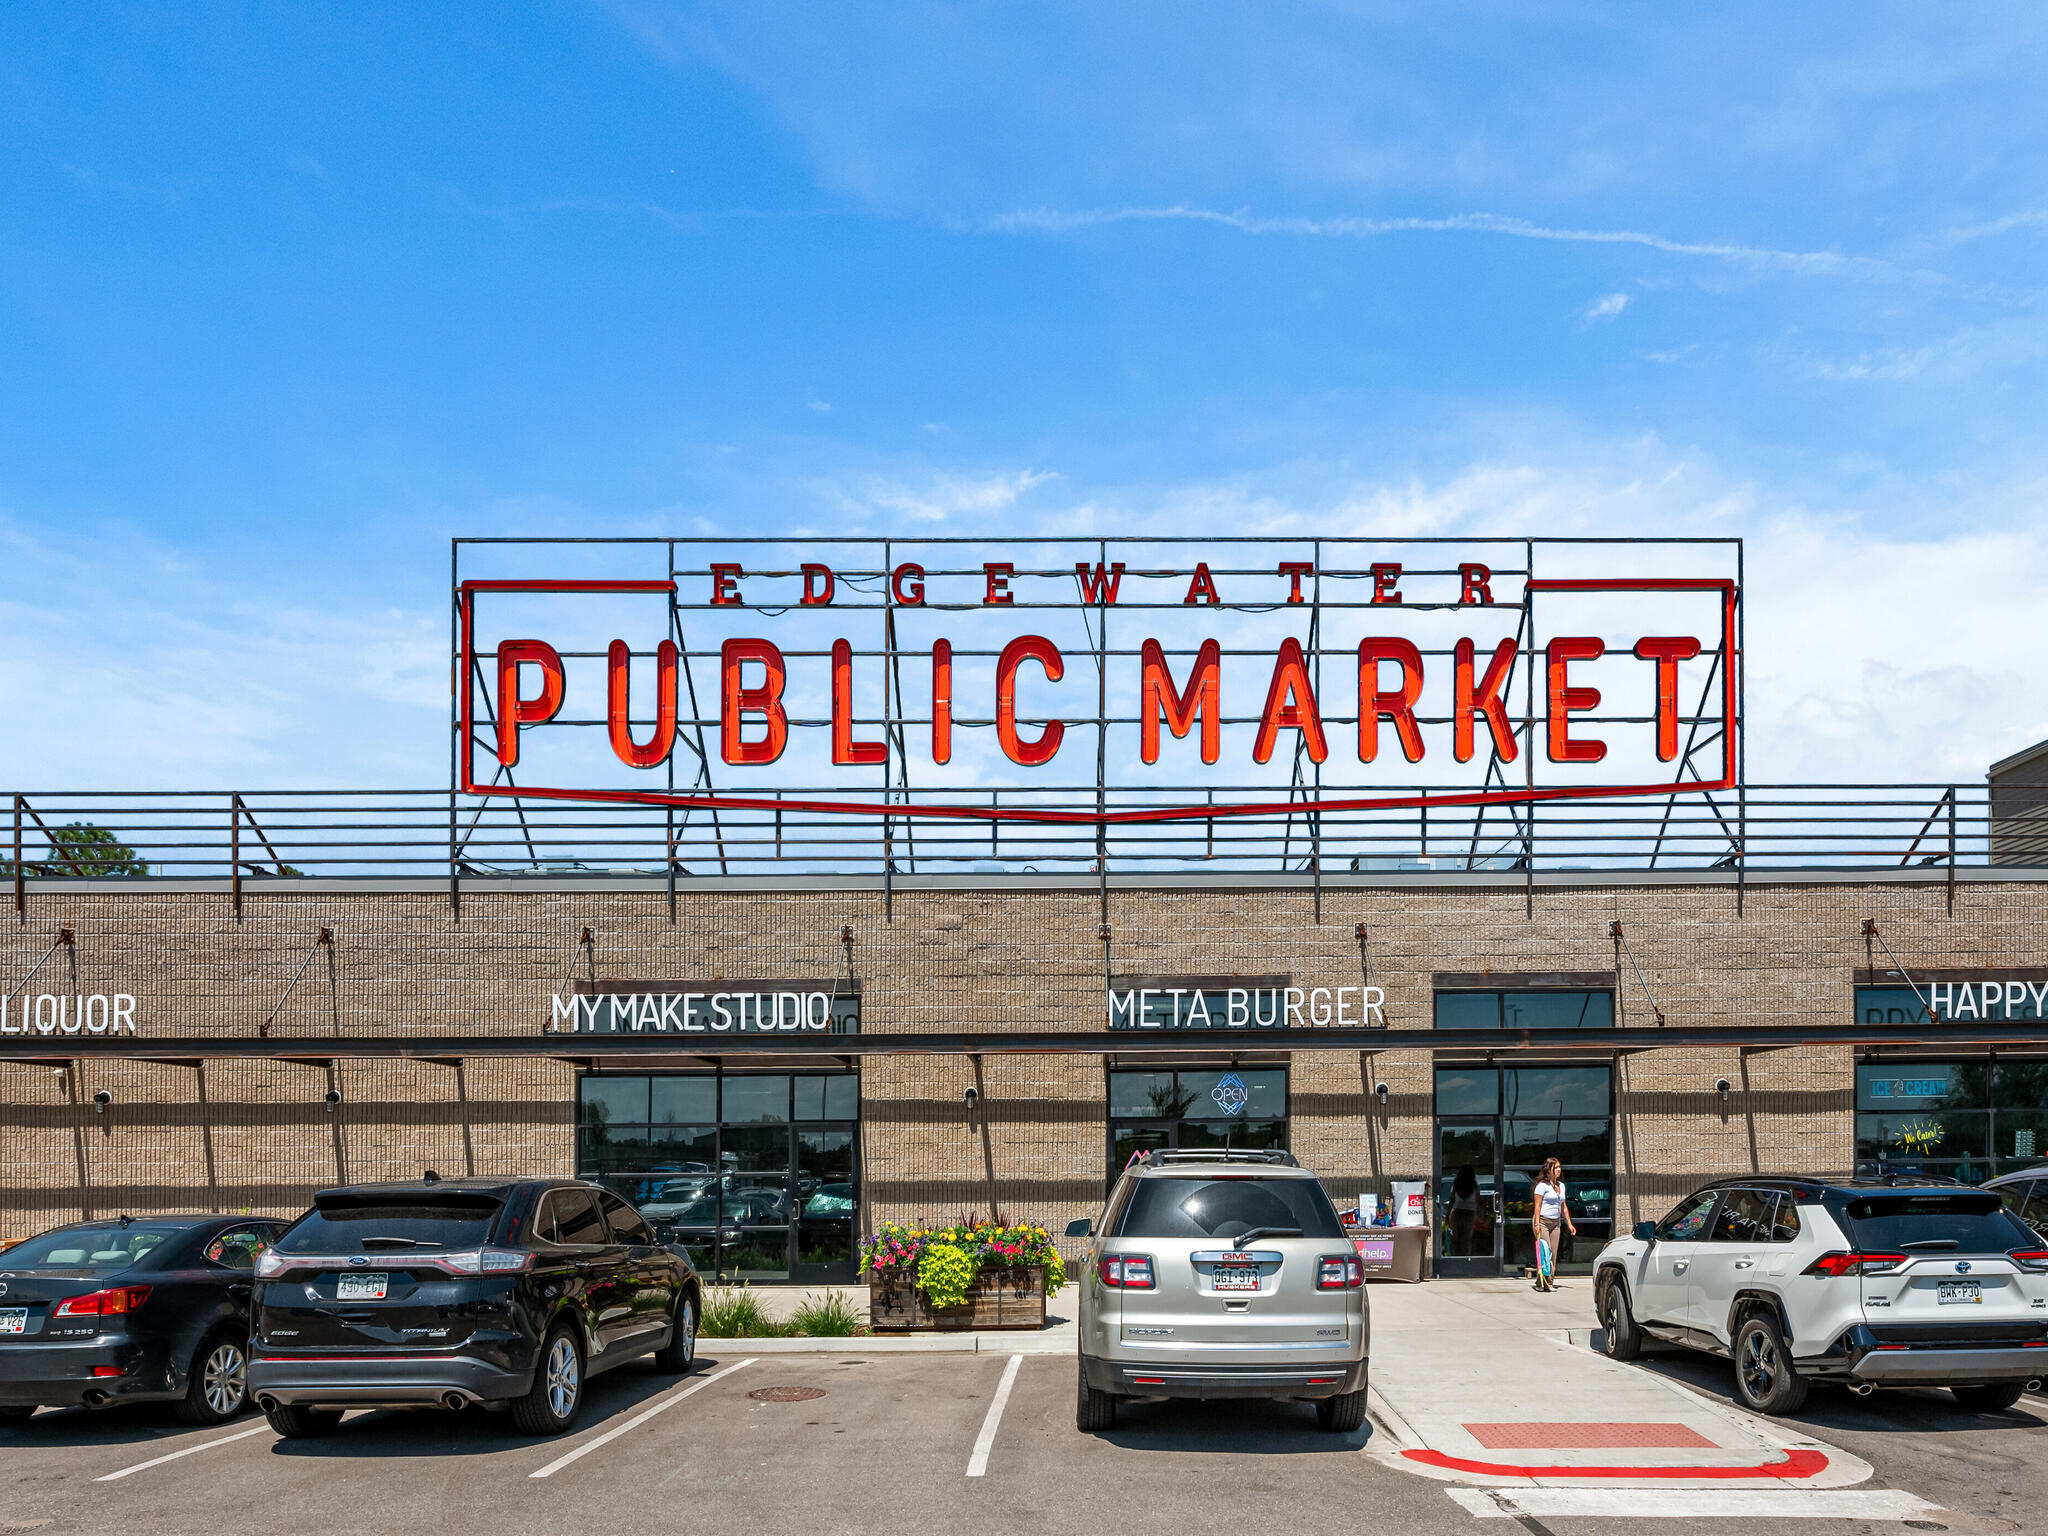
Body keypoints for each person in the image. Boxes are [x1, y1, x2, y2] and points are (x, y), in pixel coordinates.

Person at [1531, 1157, 1576, 1291]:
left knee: (1554, 1254)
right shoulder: (1541, 1186)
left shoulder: (1561, 1186)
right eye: (1556, 1167)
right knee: (1546, 1252)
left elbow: (1564, 1207)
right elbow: (1537, 1207)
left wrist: (1569, 1224)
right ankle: (1542, 1283)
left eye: (1559, 1167)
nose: (1559, 1170)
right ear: (1548, 1170)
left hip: (1555, 1223)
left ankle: (1547, 1282)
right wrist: (1537, 1224)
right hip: (1542, 1221)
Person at [1449, 1164, 1480, 1254]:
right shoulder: (1474, 1185)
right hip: (1470, 1213)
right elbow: (1478, 1200)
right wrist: (1481, 1213)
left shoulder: (1456, 1185)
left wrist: (1447, 1216)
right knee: (1466, 1239)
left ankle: (1455, 1258)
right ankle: (1465, 1259)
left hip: (1457, 1212)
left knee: (1455, 1239)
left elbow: (1452, 1200)